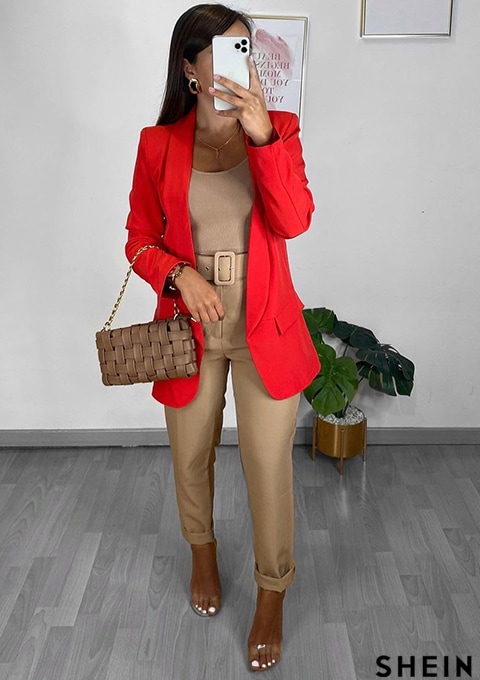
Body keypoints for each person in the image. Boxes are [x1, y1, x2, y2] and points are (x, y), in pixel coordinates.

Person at [124, 3, 319, 672]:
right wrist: (179, 274)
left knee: (267, 466)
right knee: (190, 457)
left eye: (248, 50)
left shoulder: (280, 128)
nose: (245, 63)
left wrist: (261, 135)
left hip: (265, 329)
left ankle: (272, 591)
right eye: (229, 51)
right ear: (191, 67)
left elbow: (294, 221)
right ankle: (202, 553)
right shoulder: (158, 144)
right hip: (189, 329)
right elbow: (138, 240)